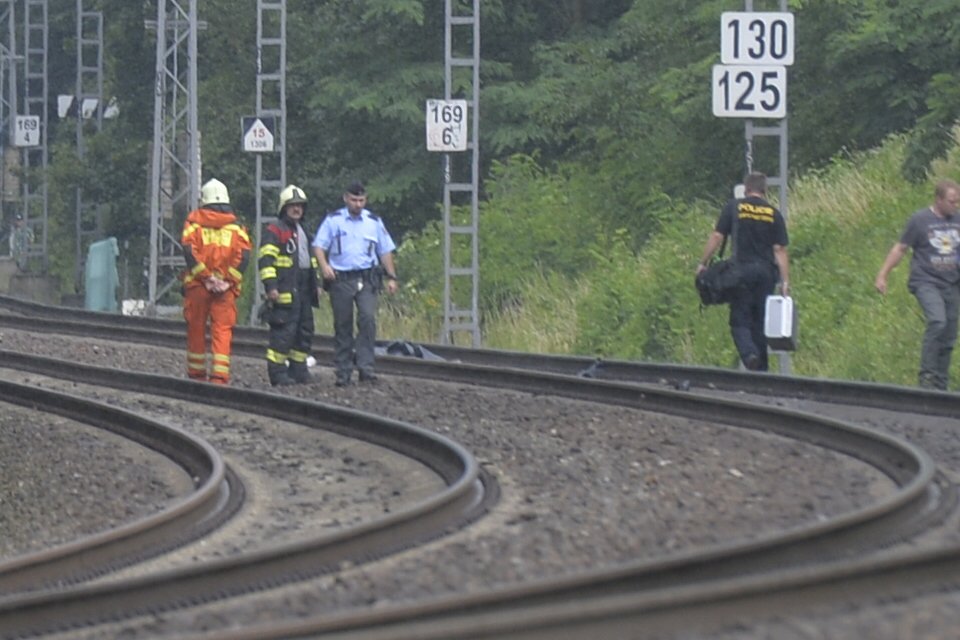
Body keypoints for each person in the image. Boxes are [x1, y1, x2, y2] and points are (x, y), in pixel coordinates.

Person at [696, 172, 790, 371]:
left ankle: (749, 355)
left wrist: (702, 262)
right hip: (766, 275)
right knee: (759, 322)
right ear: (764, 190)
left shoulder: (734, 207)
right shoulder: (774, 213)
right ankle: (761, 371)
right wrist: (785, 281)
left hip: (741, 273)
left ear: (746, 189)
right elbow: (779, 250)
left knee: (740, 320)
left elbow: (717, 236)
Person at [875, 179, 960, 390]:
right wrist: (883, 275)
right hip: (927, 281)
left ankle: (941, 385)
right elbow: (900, 249)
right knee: (937, 321)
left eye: (957, 202)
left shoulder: (958, 219)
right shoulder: (920, 220)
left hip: (952, 283)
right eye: (951, 201)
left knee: (949, 334)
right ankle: (927, 376)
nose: (955, 206)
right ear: (938, 199)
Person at [313, 181, 398, 387]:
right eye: (354, 200)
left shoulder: (373, 222)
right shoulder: (333, 221)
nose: (358, 204)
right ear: (345, 198)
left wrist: (392, 277)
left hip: (367, 279)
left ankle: (366, 368)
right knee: (343, 325)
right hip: (341, 279)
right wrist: (324, 267)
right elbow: (318, 245)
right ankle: (343, 371)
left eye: (361, 200)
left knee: (367, 320)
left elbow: (385, 250)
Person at [180, 178, 252, 384]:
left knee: (196, 328)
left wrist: (207, 277)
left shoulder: (193, 224)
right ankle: (220, 376)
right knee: (222, 330)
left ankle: (196, 374)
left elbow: (189, 251)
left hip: (198, 287)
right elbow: (244, 256)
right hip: (225, 290)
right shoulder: (237, 228)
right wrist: (227, 281)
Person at [258, 184, 320, 386]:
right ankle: (277, 373)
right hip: (284, 290)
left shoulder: (303, 232)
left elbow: (309, 262)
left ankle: (298, 369)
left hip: (303, 290)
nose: (297, 209)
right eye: (292, 206)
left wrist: (316, 284)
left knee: (304, 330)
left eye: (300, 206)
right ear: (284, 207)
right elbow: (266, 260)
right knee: (283, 332)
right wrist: (271, 287)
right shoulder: (275, 230)